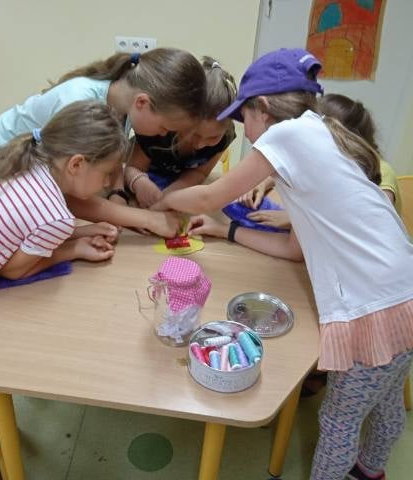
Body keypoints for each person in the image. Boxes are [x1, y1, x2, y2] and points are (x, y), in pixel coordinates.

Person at [151, 48, 413, 480]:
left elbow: (210, 196)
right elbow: (294, 249)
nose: (247, 132)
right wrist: (225, 232)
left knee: (338, 420)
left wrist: (162, 200)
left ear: (263, 108)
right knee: (384, 403)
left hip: (375, 308)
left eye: (244, 119)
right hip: (404, 292)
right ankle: (371, 470)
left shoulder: (286, 135)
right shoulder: (320, 132)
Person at [0, 100, 129, 417]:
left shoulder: (26, 160)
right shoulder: (56, 216)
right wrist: (75, 249)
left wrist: (82, 232)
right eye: (106, 173)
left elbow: (14, 229)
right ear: (76, 164)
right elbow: (15, 271)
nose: (107, 184)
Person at [0, 48, 206, 237]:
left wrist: (118, 194)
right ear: (142, 103)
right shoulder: (78, 102)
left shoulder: (121, 103)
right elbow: (62, 194)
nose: (163, 135)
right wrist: (146, 219)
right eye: (165, 127)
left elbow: (111, 153)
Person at [237, 93, 402, 229]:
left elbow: (368, 222)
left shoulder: (383, 171)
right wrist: (262, 183)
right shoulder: (329, 161)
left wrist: (293, 219)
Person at [125, 56, 237, 208]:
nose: (200, 144)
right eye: (194, 134)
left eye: (213, 137)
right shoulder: (159, 130)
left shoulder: (225, 137)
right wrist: (138, 181)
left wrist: (169, 197)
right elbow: (132, 168)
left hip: (177, 184)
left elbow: (200, 173)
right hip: (145, 177)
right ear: (180, 117)